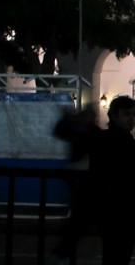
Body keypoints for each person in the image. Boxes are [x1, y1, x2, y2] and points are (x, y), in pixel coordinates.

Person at [90, 95, 135, 264]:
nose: (132, 118)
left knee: (114, 253)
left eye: (134, 114)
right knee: (120, 253)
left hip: (109, 206)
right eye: (127, 114)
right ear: (114, 116)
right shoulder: (124, 142)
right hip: (121, 207)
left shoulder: (104, 139)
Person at [51, 102, 102, 258]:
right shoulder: (89, 131)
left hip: (82, 174)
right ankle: (66, 246)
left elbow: (59, 132)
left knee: (81, 213)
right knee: (82, 213)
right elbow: (59, 132)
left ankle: (65, 245)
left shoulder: (87, 131)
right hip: (82, 175)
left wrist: (67, 119)